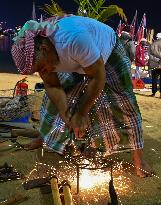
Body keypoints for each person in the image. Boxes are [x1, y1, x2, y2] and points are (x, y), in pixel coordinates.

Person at [11, 14, 153, 177]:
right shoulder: (42, 57)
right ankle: (45, 137)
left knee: (123, 102)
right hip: (76, 59)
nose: (43, 73)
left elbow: (98, 76)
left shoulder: (72, 40)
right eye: (38, 71)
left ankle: (139, 159)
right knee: (52, 103)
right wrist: (68, 117)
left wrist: (81, 113)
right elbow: (52, 85)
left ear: (44, 48)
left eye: (41, 67)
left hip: (108, 50)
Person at [148, 33, 161, 97]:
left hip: (154, 64)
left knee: (154, 79)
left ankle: (154, 92)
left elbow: (150, 55)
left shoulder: (152, 45)